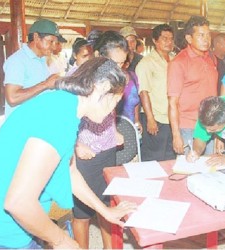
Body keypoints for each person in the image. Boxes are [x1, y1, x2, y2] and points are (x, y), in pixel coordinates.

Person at [0, 57, 136, 248]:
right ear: (101, 87)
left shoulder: (64, 104)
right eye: (115, 100)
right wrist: (61, 240)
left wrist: (105, 211)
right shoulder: (58, 118)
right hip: (2, 231)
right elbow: (18, 203)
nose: (114, 108)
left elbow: (70, 171)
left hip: (18, 224)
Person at [71, 31, 129, 249]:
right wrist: (77, 144)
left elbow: (108, 110)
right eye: (114, 62)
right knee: (82, 211)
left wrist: (113, 131)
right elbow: (64, 120)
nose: (118, 68)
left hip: (106, 148)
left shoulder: (115, 78)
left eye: (123, 63)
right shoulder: (78, 79)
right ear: (97, 56)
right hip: (85, 152)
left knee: (107, 202)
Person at [167, 15, 218, 155]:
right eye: (201, 35)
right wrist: (176, 135)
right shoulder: (179, 63)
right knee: (190, 171)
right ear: (189, 38)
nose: (206, 39)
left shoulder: (211, 59)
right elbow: (173, 103)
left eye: (208, 35)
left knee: (211, 171)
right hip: (188, 127)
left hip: (210, 126)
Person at [3, 18, 61, 117]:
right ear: (36, 37)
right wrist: (45, 84)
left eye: (55, 43)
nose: (54, 47)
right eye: (51, 41)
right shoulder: (17, 61)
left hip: (36, 123)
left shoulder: (42, 59)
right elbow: (12, 98)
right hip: (22, 126)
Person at [136, 24, 176, 162]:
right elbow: (143, 92)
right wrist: (150, 119)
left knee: (171, 158)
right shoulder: (146, 63)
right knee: (155, 159)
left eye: (171, 38)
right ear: (155, 40)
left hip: (174, 118)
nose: (169, 42)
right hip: (157, 118)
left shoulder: (175, 59)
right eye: (164, 38)